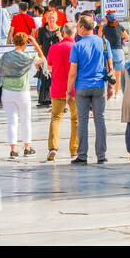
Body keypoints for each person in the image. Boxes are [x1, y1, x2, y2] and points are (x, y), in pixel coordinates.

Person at [68, 14, 112, 164]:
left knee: (83, 121)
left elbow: (73, 71)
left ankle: (82, 155)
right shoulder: (103, 42)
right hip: (99, 85)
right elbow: (109, 66)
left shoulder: (77, 46)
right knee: (100, 120)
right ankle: (101, 155)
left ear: (81, 28)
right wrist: (111, 86)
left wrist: (69, 91)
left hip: (82, 87)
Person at [0, 31, 43, 159]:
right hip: (22, 92)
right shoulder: (28, 58)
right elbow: (43, 58)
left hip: (7, 91)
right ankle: (27, 147)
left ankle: (13, 150)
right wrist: (35, 44)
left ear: (14, 42)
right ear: (25, 44)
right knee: (25, 120)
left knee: (12, 121)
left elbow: (0, 71)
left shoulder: (6, 56)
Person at [45, 23, 78, 162]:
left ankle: (53, 148)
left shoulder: (54, 47)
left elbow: (50, 66)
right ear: (74, 33)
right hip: (74, 89)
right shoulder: (76, 47)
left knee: (55, 118)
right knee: (75, 119)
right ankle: (74, 149)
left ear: (63, 33)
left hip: (57, 88)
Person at [35, 13, 60, 106]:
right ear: (46, 19)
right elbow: (39, 46)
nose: (51, 20)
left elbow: (63, 43)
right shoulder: (42, 30)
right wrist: (40, 58)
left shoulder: (60, 29)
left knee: (55, 79)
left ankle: (56, 99)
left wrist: (60, 36)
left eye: (53, 18)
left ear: (56, 19)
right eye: (49, 18)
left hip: (57, 59)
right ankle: (45, 99)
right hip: (45, 58)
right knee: (45, 78)